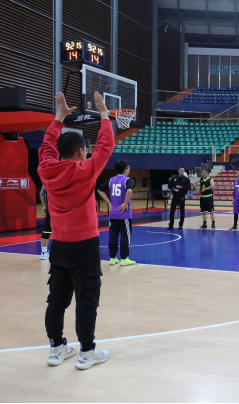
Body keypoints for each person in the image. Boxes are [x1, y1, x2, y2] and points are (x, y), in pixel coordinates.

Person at [38, 91, 112, 370]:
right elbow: (106, 146)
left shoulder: (47, 169)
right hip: (85, 246)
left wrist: (59, 117)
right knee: (86, 301)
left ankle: (56, 348)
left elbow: (46, 146)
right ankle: (86, 353)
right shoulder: (85, 170)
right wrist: (103, 114)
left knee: (56, 301)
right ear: (81, 152)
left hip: (58, 246)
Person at [97, 160, 136, 266]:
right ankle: (124, 258)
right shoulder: (128, 180)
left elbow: (99, 190)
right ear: (126, 170)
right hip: (124, 213)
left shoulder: (111, 180)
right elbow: (129, 191)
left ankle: (113, 258)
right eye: (128, 168)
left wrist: (109, 202)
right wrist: (125, 203)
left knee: (113, 236)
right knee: (125, 236)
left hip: (113, 213)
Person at [39, 185, 52, 260]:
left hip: (51, 209)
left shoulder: (48, 181)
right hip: (64, 209)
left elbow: (42, 193)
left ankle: (43, 252)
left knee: (46, 231)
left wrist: (44, 205)